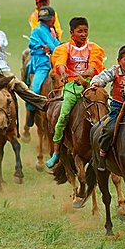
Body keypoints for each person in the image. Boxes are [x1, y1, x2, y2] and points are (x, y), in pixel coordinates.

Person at [45, 17, 105, 168]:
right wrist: (64, 73)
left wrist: (83, 76)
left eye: (85, 31)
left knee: (104, 111)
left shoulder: (93, 48)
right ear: (72, 32)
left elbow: (93, 68)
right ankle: (57, 152)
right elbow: (60, 63)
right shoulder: (64, 48)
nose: (83, 34)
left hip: (90, 86)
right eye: (80, 31)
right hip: (71, 88)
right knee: (63, 115)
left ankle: (107, 147)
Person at [24, 6, 61, 128]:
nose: (47, 22)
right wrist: (44, 47)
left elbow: (57, 45)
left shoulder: (52, 32)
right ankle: (31, 111)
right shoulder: (38, 31)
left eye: (48, 19)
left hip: (53, 62)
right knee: (35, 89)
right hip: (42, 64)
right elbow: (33, 44)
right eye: (45, 20)